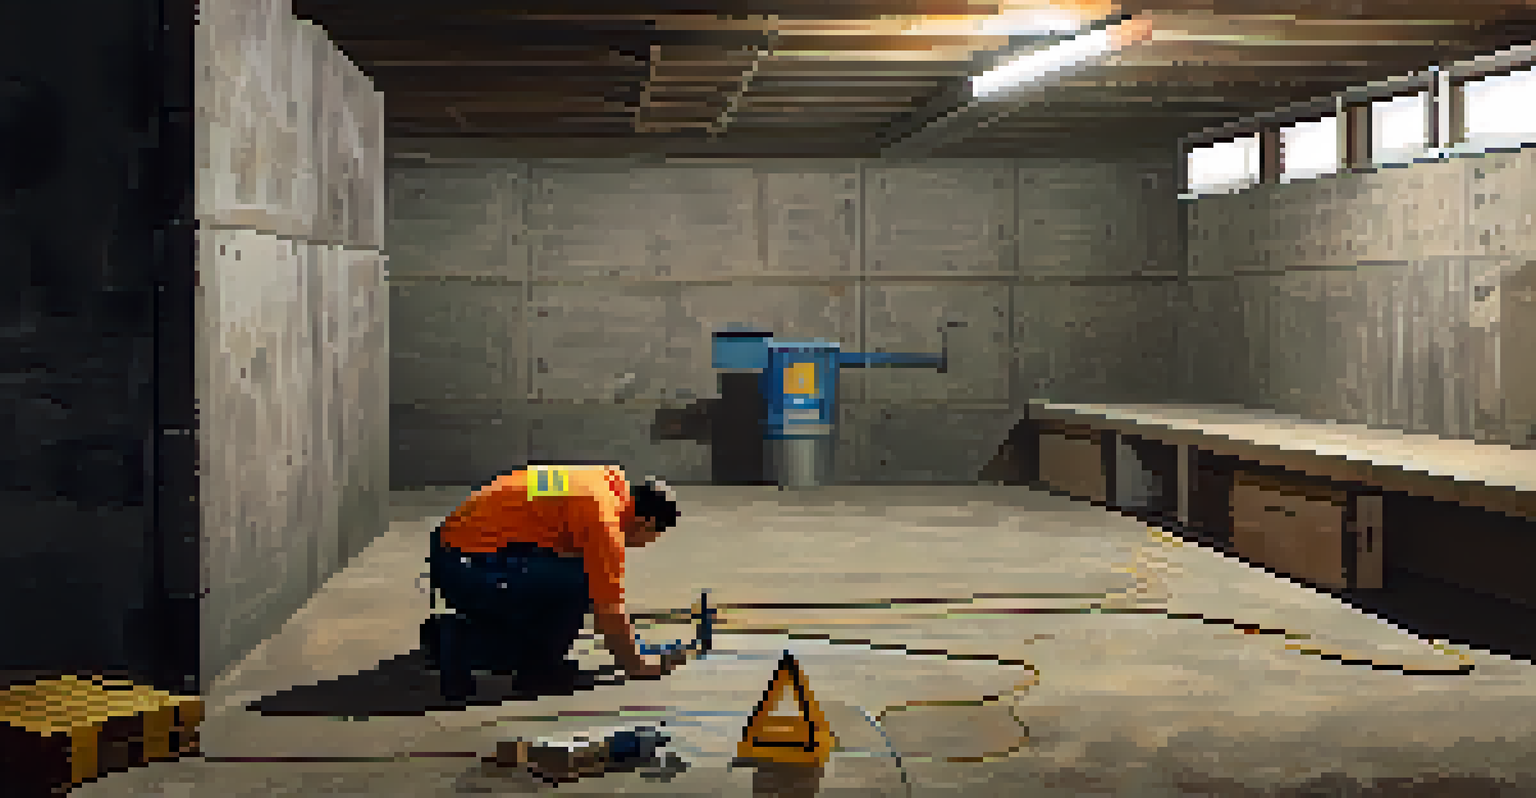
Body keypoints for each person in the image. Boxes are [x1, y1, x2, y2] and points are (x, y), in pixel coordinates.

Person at [422, 462, 682, 701]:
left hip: (454, 546)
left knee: (558, 588)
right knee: (580, 583)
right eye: (654, 536)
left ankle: (522, 653)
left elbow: (534, 499)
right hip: (469, 567)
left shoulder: (602, 481)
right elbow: (609, 612)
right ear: (645, 523)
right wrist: (638, 664)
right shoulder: (604, 522)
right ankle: (477, 648)